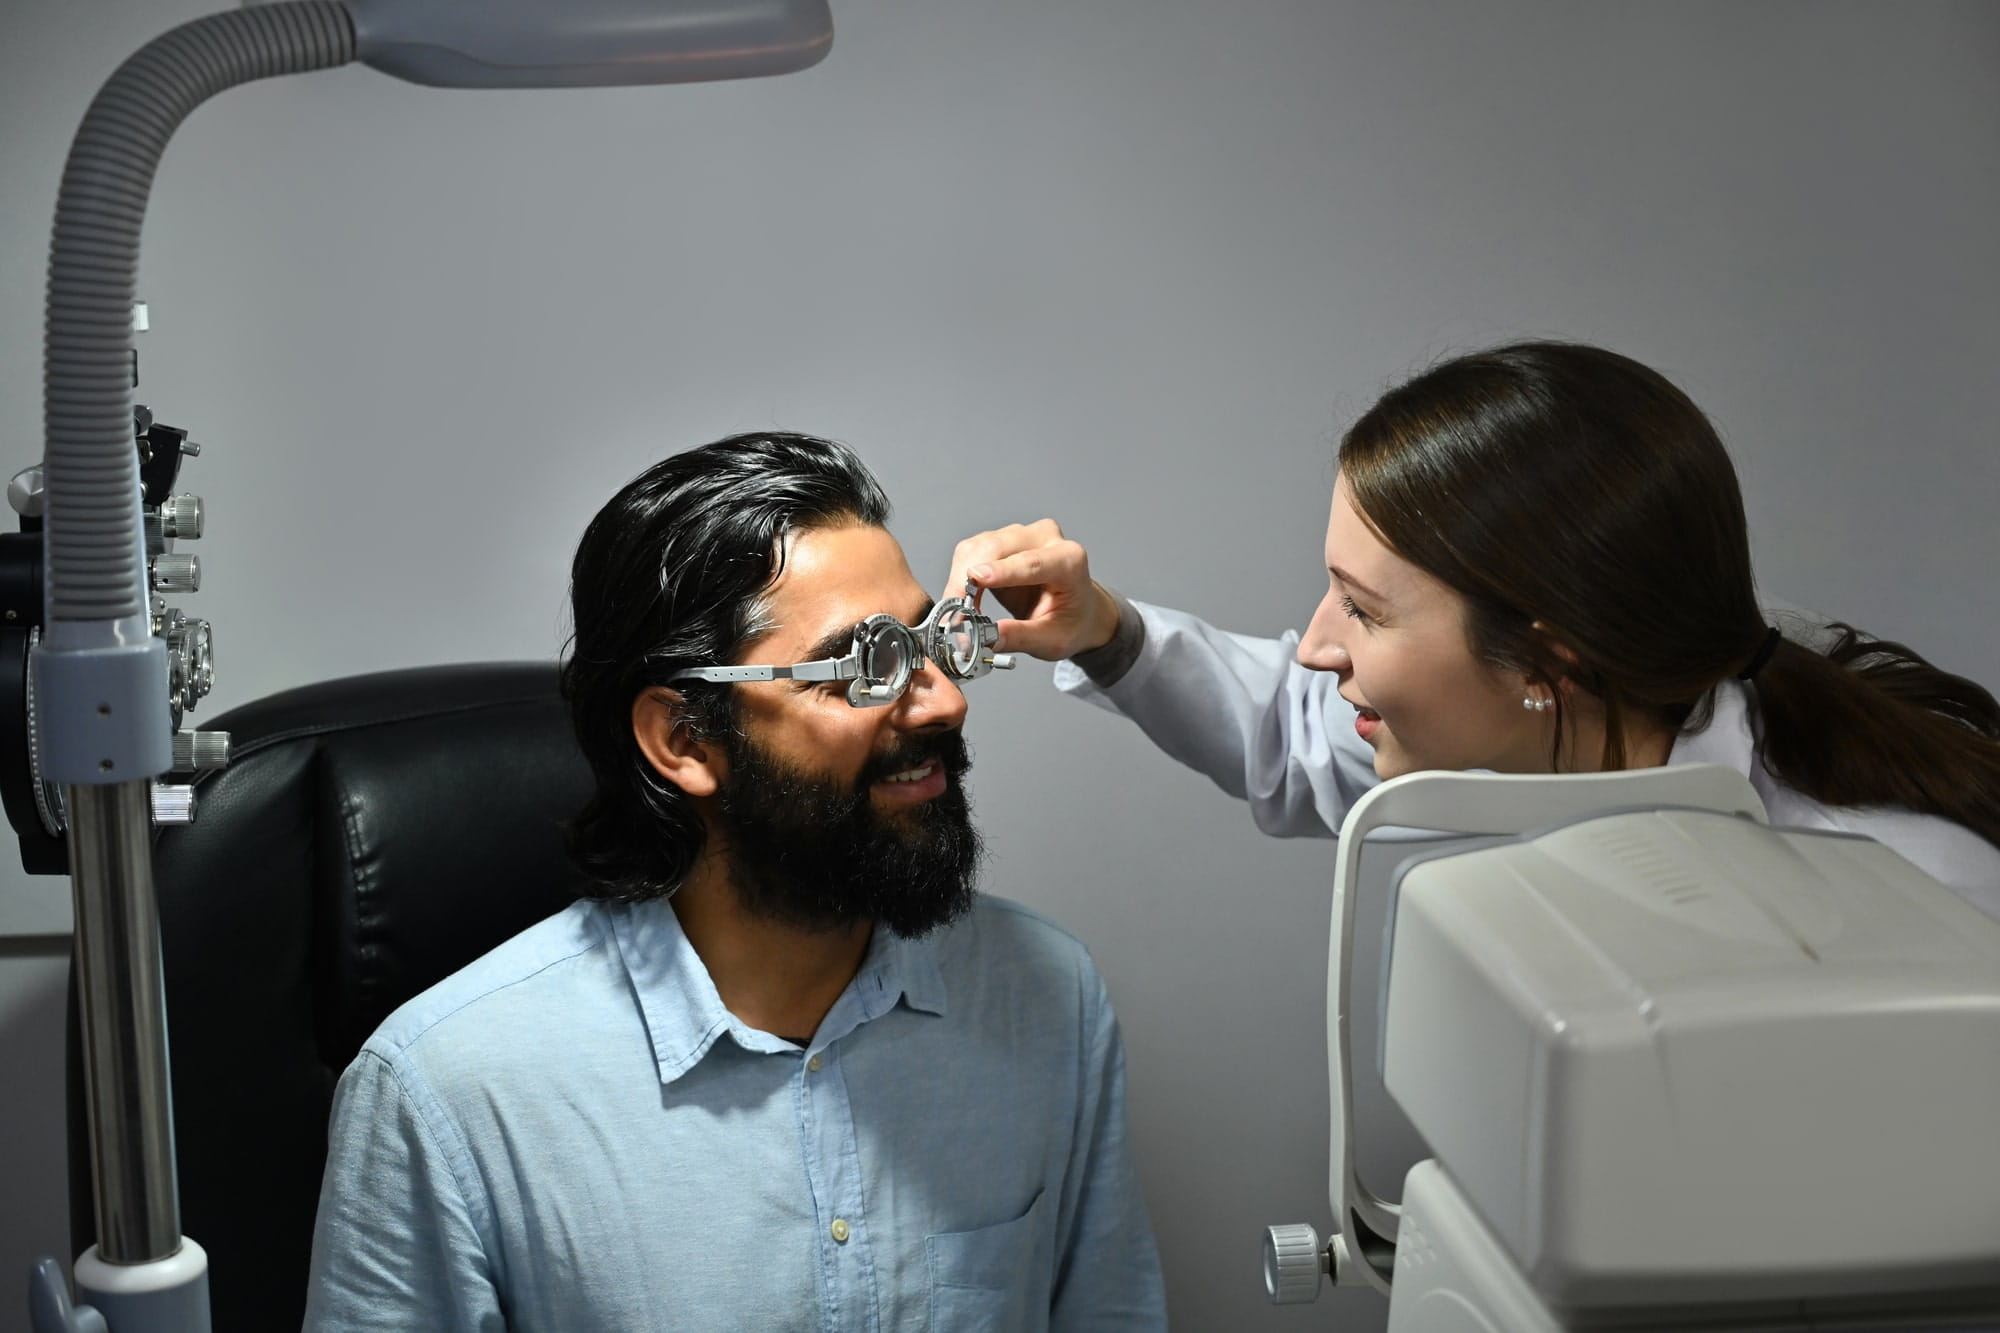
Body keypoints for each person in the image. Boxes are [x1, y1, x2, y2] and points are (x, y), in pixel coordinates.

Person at [304, 432, 1166, 1330]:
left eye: (928, 641)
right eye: (867, 662)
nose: (945, 700)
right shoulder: (448, 1096)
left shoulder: (1046, 1000)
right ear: (683, 739)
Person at [945, 341, 2000, 919]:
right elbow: (1282, 728)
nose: (1314, 648)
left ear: (1549, 661)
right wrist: (1102, 630)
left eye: (1361, 610)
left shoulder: (1919, 901)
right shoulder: (1539, 727)